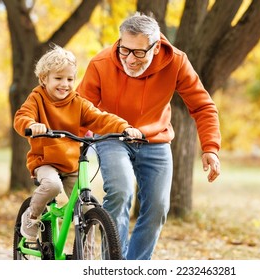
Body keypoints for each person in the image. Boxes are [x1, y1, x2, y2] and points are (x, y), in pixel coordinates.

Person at [76, 12, 221, 260]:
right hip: (112, 136)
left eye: (139, 52)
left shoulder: (175, 62)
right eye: (125, 50)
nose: (130, 59)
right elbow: (79, 110)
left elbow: (202, 106)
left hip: (155, 139)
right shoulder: (101, 63)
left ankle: (136, 267)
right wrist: (61, 148)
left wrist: (210, 147)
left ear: (156, 47)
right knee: (120, 192)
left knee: (157, 208)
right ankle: (114, 266)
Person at [13, 45, 142, 241]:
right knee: (53, 186)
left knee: (87, 209)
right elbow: (22, 117)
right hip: (45, 161)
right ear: (43, 79)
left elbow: (100, 118)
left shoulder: (78, 102)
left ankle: (86, 257)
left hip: (71, 164)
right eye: (58, 78)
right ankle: (31, 216)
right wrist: (32, 124)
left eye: (70, 79)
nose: (65, 84)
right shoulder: (37, 98)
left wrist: (124, 127)